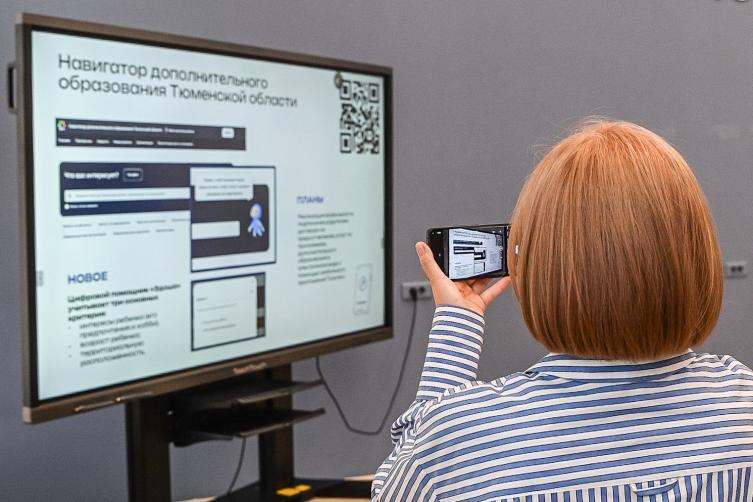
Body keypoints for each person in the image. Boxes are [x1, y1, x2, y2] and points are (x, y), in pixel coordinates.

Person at [372, 121, 753, 501]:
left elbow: (402, 483)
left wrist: (458, 325)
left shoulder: (464, 441)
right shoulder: (743, 403)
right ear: (697, 257)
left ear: (537, 267)